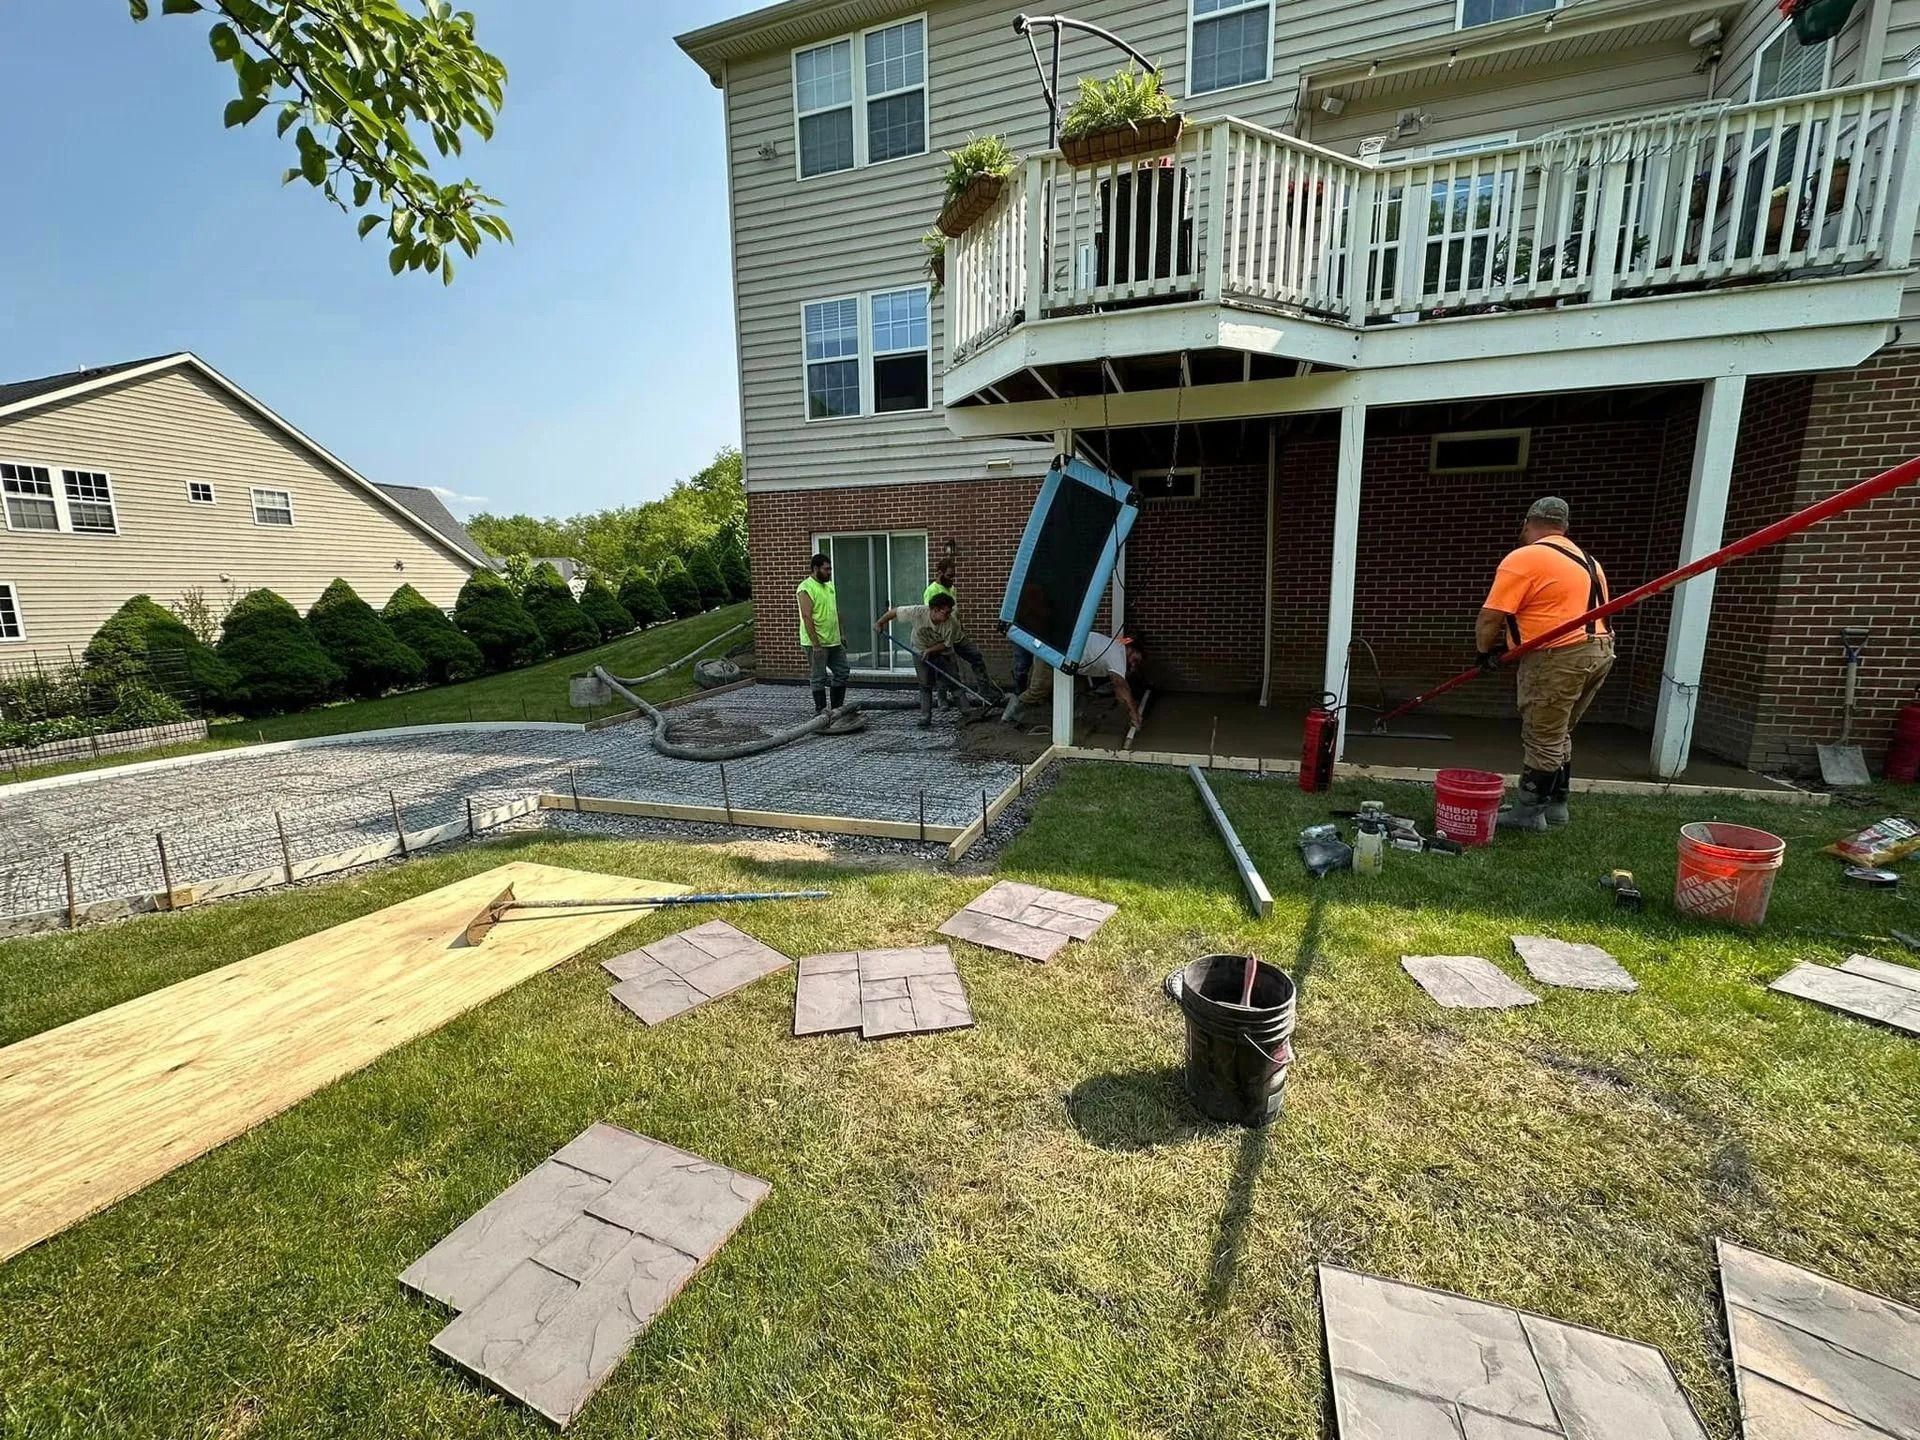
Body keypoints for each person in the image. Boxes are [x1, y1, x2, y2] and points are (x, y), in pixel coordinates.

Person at [1475, 496, 1614, 831]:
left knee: (1543, 735)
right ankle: (1555, 807)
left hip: (1558, 656)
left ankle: (1528, 813)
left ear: (1528, 523)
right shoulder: (1587, 560)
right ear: (1563, 527)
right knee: (1559, 731)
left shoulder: (1527, 557)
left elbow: (1491, 617)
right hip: (1599, 650)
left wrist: (1483, 653)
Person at [1002, 628, 1143, 732]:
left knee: (1080, 692)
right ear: (1130, 649)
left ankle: (1073, 721)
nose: (1135, 664)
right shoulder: (1118, 653)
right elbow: (1120, 687)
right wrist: (1134, 714)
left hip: (1072, 661)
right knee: (1039, 688)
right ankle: (1013, 710)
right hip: (1053, 650)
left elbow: (1121, 690)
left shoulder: (1117, 650)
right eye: (1135, 659)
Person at [875, 592, 972, 728]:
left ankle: (968, 712)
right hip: (920, 650)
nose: (948, 615)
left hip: (944, 653)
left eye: (950, 612)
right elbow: (895, 612)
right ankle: (925, 716)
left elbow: (946, 644)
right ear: (935, 610)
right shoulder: (918, 612)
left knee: (954, 682)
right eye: (946, 612)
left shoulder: (952, 623)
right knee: (925, 684)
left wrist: (930, 651)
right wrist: (880, 623)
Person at [796, 552, 848, 716]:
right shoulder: (805, 588)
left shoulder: (829, 586)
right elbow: (806, 616)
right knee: (818, 676)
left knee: (842, 671)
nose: (829, 572)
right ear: (815, 568)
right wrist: (816, 644)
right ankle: (821, 711)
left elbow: (835, 610)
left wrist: (842, 633)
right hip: (817, 643)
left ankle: (836, 709)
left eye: (830, 569)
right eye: (826, 569)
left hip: (833, 640)